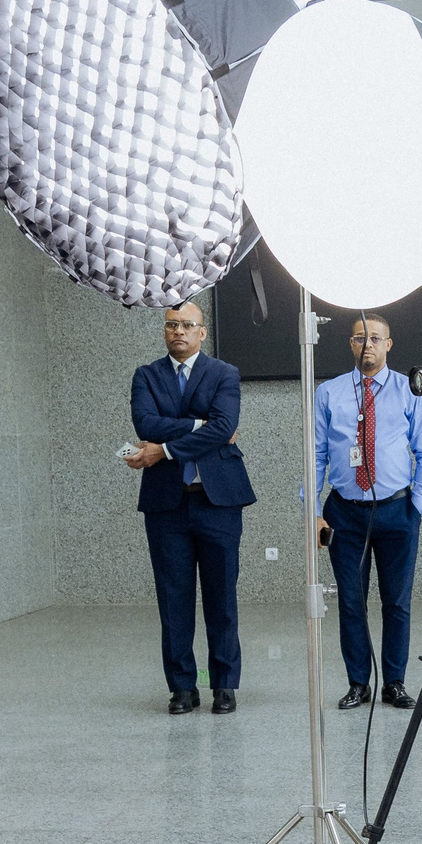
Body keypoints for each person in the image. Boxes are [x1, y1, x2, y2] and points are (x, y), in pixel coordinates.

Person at [126, 299, 255, 714]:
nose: (178, 331)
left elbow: (225, 425)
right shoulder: (146, 375)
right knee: (173, 599)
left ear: (202, 332)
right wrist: (201, 425)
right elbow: (145, 424)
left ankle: (224, 684)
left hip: (218, 501)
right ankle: (182, 686)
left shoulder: (224, 373)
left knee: (222, 597)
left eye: (186, 325)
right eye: (171, 325)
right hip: (167, 504)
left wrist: (164, 448)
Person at [313, 313, 422, 709]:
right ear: (351, 344)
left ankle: (394, 683)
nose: (366, 344)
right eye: (359, 338)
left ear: (388, 344)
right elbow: (315, 455)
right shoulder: (329, 393)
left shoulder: (410, 390)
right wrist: (313, 511)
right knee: (351, 602)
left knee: (396, 603)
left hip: (397, 511)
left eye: (374, 338)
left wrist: (417, 505)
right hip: (344, 513)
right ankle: (358, 683)